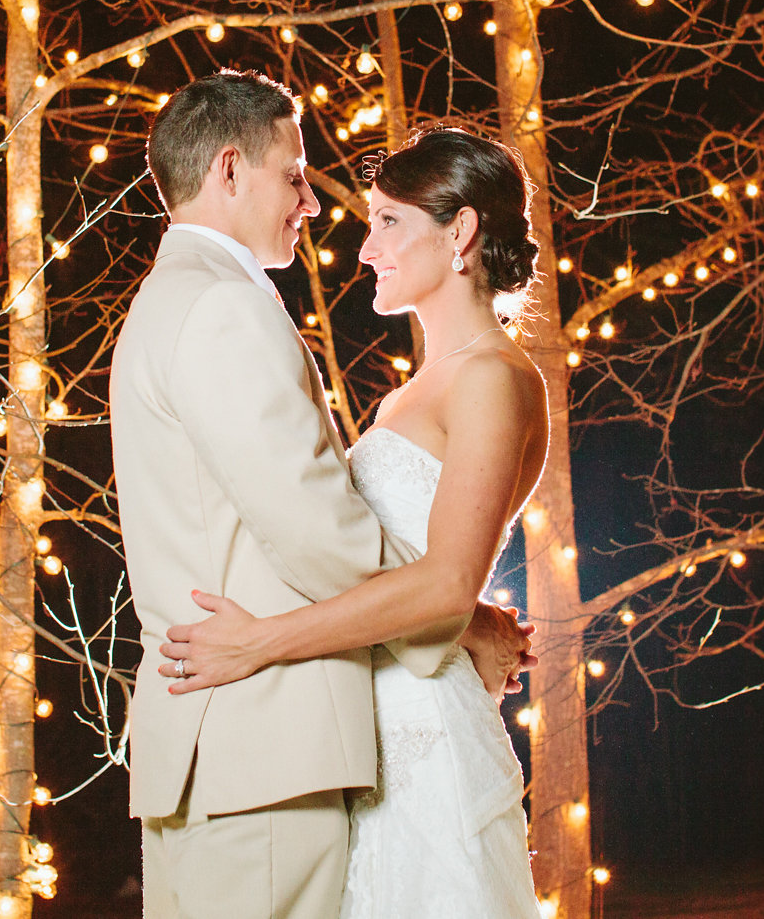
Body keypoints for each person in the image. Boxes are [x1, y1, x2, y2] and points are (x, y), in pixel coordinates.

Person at [110, 73, 533, 919]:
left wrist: (276, 638)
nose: (315, 207)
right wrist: (460, 623)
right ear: (230, 170)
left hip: (326, 739)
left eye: (387, 223)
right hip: (266, 744)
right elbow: (318, 532)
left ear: (462, 234)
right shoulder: (224, 305)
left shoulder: (487, 379)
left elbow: (406, 559)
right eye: (294, 174)